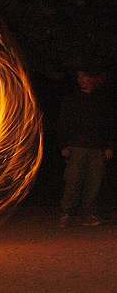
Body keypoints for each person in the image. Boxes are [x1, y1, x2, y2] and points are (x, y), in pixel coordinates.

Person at [57, 69, 115, 227]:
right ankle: (66, 213)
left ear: (92, 78)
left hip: (97, 148)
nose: (81, 80)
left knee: (94, 182)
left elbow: (109, 124)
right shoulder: (72, 99)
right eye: (79, 77)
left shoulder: (101, 100)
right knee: (72, 181)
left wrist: (109, 146)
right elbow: (63, 123)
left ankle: (87, 214)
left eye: (84, 77)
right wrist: (63, 145)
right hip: (77, 147)